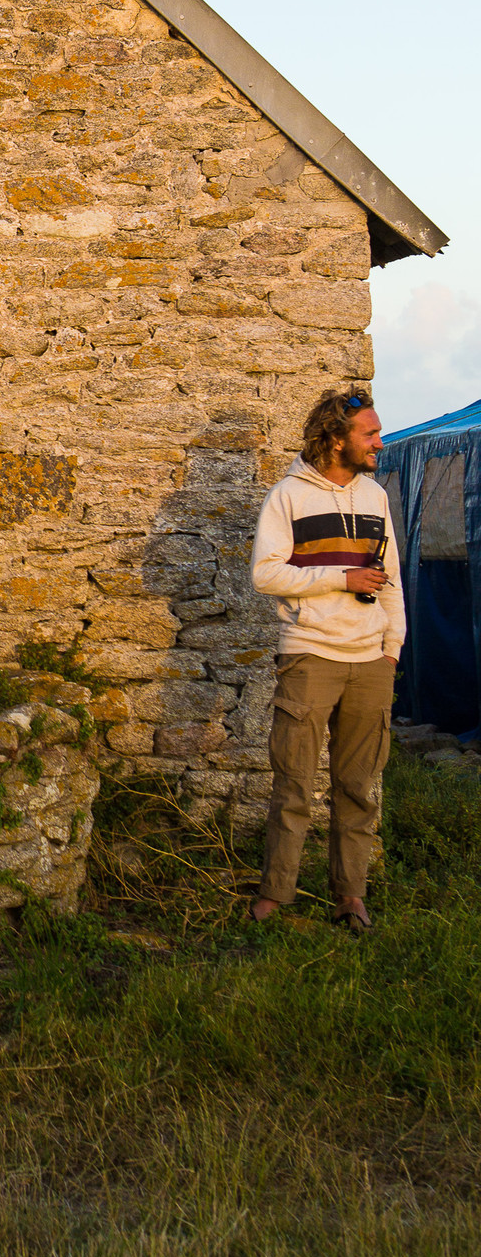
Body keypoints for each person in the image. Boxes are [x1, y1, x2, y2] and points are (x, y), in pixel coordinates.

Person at [249, 387, 405, 936]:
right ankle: (276, 894)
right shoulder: (287, 497)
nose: (379, 443)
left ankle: (350, 897)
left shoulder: (376, 497)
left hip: (371, 661)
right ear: (336, 439)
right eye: (371, 434)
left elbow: (390, 578)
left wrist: (393, 647)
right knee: (292, 784)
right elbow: (265, 574)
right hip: (310, 655)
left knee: (358, 787)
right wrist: (339, 578)